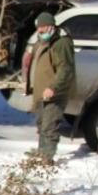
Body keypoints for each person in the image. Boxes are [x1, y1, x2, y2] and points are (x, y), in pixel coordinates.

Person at [23, 12, 76, 163]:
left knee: (50, 125)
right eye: (39, 27)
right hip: (41, 90)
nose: (40, 30)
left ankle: (47, 157)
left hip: (54, 92)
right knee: (41, 123)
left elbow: (65, 69)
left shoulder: (61, 43)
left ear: (52, 26)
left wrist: (53, 87)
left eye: (44, 27)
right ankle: (41, 151)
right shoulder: (41, 41)